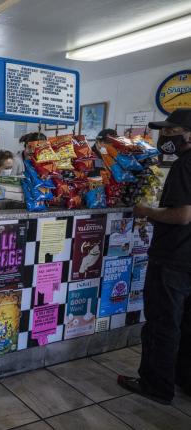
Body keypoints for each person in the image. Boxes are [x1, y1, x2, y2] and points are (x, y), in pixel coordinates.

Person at [117, 108, 191, 405]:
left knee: (163, 324)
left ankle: (156, 385)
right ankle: (183, 379)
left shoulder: (185, 165)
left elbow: (182, 215)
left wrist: (145, 211)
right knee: (186, 324)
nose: (164, 137)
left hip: (173, 258)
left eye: (171, 132)